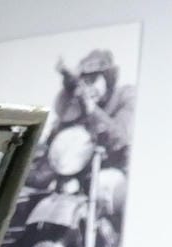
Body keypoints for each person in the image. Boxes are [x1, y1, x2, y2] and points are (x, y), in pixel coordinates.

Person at [53, 49, 134, 221]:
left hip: (117, 173)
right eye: (84, 81)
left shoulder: (126, 96)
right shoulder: (77, 106)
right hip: (79, 178)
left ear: (108, 79)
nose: (88, 87)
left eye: (93, 80)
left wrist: (92, 110)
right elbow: (57, 143)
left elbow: (120, 137)